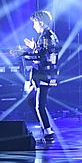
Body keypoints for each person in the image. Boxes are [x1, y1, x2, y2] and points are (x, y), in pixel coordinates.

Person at [22, 10, 60, 142]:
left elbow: (41, 56)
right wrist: (34, 46)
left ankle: (48, 132)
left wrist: (24, 54)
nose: (34, 26)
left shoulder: (46, 36)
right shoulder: (47, 36)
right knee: (31, 100)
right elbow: (44, 52)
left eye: (34, 23)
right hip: (44, 74)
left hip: (44, 75)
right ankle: (46, 128)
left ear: (41, 22)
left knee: (39, 105)